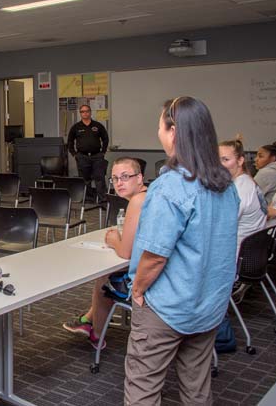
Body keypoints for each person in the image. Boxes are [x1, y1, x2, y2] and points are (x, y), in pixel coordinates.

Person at [124, 97, 239, 405]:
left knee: (142, 390)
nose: (158, 133)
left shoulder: (169, 187)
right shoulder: (226, 184)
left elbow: (156, 255)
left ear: (173, 132)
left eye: (160, 126)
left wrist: (137, 289)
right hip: (209, 302)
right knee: (197, 387)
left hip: (167, 306)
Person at [63, 157, 147, 348]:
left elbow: (126, 252)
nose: (119, 183)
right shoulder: (148, 195)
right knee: (109, 275)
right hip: (160, 273)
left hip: (146, 282)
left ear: (140, 177)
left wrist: (113, 241)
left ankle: (96, 335)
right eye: (115, 178)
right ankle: (88, 320)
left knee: (104, 280)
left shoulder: (137, 202)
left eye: (125, 177)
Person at [219, 136, 267, 250]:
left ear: (240, 160)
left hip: (234, 253)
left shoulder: (239, 190)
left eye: (225, 159)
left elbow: (222, 226)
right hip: (253, 250)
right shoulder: (247, 181)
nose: (219, 165)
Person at [67, 104, 109, 200]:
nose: (85, 113)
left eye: (87, 111)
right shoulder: (76, 127)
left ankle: (102, 200)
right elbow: (70, 141)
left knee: (100, 178)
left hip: (97, 156)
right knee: (85, 180)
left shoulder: (98, 126)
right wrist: (74, 154)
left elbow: (105, 139)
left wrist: (103, 152)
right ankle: (89, 199)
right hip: (82, 157)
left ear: (90, 112)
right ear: (80, 113)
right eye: (82, 111)